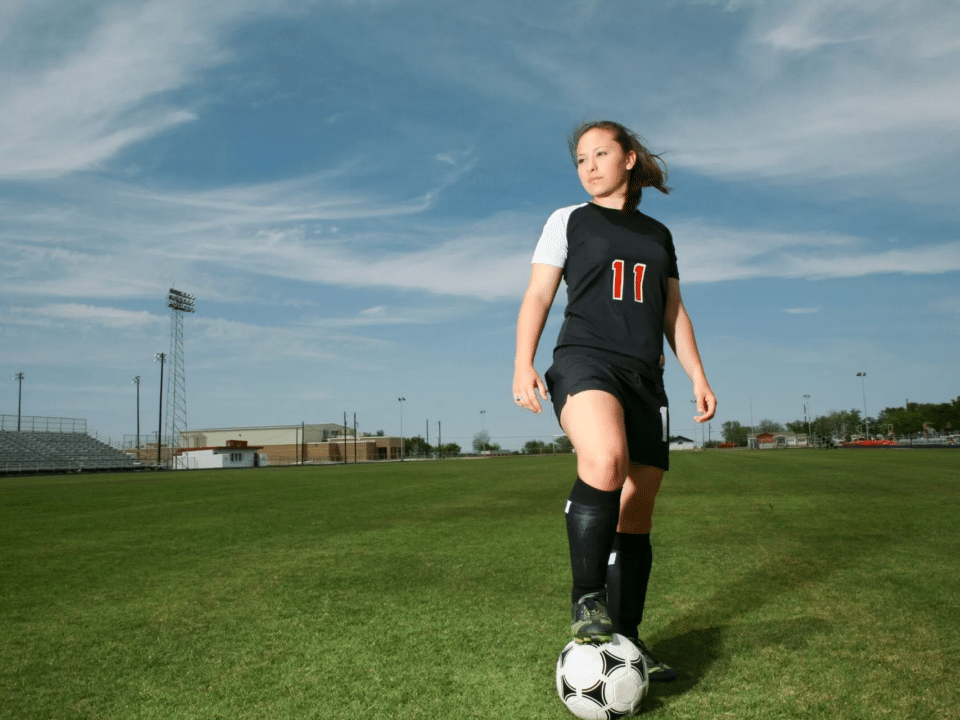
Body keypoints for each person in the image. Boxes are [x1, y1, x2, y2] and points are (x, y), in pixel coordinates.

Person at [512, 121, 716, 682]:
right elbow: (538, 292)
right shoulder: (568, 221)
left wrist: (696, 374)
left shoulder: (658, 235)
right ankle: (587, 600)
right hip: (585, 357)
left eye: (600, 154)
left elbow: (673, 311)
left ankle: (627, 640)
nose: (589, 166)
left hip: (644, 375)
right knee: (604, 460)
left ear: (629, 159)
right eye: (581, 159)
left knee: (637, 506)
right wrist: (522, 361)